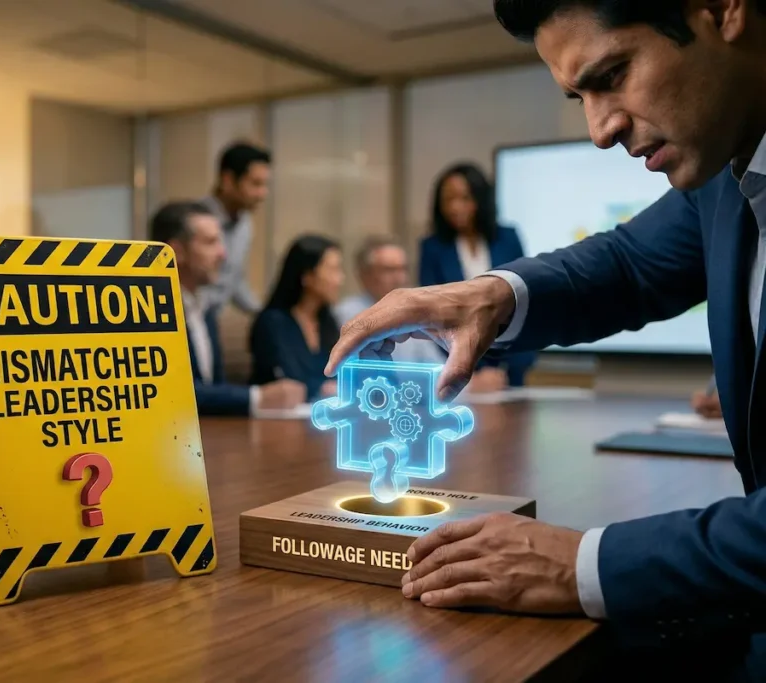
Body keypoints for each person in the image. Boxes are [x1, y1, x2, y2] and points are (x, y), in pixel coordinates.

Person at [324, 1, 766, 678]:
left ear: (722, 9)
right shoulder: (725, 173)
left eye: (613, 74)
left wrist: (582, 562)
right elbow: (629, 263)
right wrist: (495, 294)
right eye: (578, 96)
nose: (599, 129)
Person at [148, 201, 304, 416]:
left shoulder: (206, 308)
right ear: (176, 252)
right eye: (211, 242)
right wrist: (257, 397)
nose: (223, 254)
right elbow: (170, 392)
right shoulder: (149, 314)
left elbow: (214, 386)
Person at [418, 162, 538, 389]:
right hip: (458, 371)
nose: (455, 208)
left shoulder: (508, 238)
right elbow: (431, 316)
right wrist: (468, 373)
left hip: (511, 368)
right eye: (448, 200)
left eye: (463, 199)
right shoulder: (432, 248)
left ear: (479, 199)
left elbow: (525, 301)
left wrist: (510, 368)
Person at [250, 235, 343, 401]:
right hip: (275, 418)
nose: (339, 280)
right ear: (307, 276)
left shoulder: (328, 323)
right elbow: (288, 380)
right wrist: (323, 388)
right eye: (332, 270)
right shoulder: (273, 323)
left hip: (321, 416)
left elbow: (340, 372)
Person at [334, 235, 446, 365]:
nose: (400, 278)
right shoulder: (346, 313)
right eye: (389, 270)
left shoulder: (413, 313)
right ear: (365, 274)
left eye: (403, 269)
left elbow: (437, 366)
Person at [199, 141, 271, 315]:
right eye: (255, 184)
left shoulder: (245, 226)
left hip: (211, 321)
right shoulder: (194, 219)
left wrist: (264, 314)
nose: (263, 193)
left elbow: (234, 280)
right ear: (228, 180)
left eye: (264, 184)